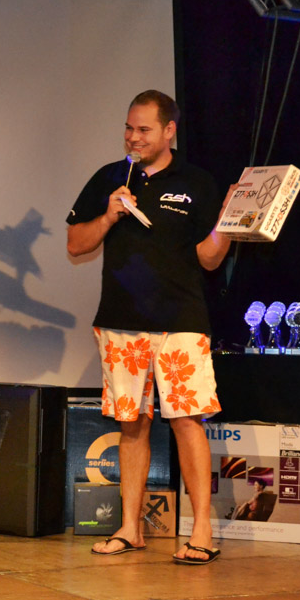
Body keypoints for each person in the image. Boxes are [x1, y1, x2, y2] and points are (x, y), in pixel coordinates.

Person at [66, 90, 235, 565]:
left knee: (187, 420)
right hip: (121, 323)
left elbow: (209, 258)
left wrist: (229, 222)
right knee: (131, 423)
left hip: (181, 322)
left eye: (143, 129)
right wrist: (109, 215)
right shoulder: (109, 177)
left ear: (168, 130)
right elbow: (76, 244)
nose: (133, 137)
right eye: (128, 128)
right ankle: (130, 527)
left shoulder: (197, 182)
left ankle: (202, 531)